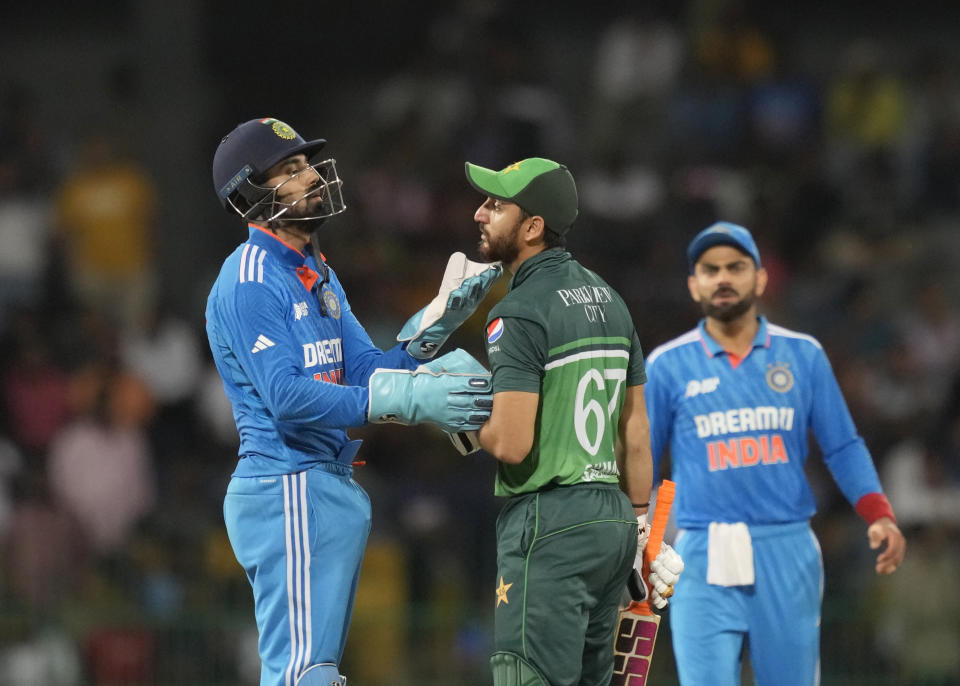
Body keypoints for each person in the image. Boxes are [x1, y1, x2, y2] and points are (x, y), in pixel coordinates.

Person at [205, 117, 501, 686]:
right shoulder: (249, 278)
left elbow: (365, 371)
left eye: (308, 164)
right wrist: (412, 396)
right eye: (291, 170)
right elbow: (287, 397)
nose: (312, 176)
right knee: (303, 675)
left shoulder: (315, 268)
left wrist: (432, 326)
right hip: (285, 485)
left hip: (322, 484)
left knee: (314, 672)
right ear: (250, 194)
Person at [643, 221, 907, 686]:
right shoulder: (667, 365)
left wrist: (878, 512)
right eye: (710, 270)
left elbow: (842, 445)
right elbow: (641, 459)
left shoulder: (803, 355)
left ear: (761, 279)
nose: (723, 278)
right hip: (702, 551)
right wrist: (636, 536)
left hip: (786, 546)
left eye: (736, 267)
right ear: (693, 284)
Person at [457, 157, 684, 686]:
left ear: (533, 227)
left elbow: (511, 443)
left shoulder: (518, 311)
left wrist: (463, 422)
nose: (480, 213)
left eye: (496, 204)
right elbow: (636, 433)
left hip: (550, 525)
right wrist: (640, 526)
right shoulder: (611, 300)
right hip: (611, 524)